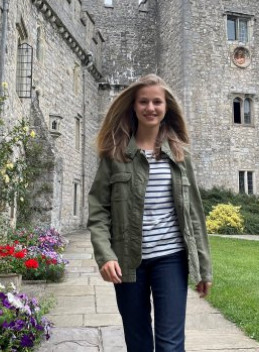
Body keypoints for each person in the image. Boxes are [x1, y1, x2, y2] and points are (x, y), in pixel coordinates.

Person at [87, 74, 212, 352]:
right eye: (143, 101)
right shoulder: (115, 154)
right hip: (128, 261)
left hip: (171, 259)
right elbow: (98, 210)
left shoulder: (179, 155)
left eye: (157, 102)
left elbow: (194, 212)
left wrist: (204, 268)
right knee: (138, 342)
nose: (150, 108)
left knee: (170, 345)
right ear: (133, 106)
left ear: (166, 106)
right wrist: (105, 255)